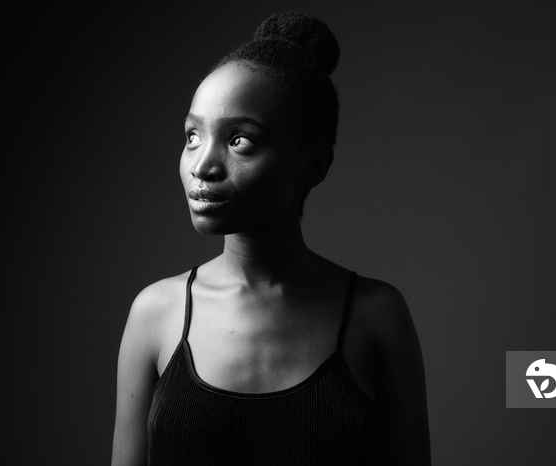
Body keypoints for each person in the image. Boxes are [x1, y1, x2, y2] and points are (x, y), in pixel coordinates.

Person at [111, 11, 430, 466]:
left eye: (240, 140)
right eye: (193, 136)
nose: (203, 165)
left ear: (314, 163)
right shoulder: (155, 314)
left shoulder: (376, 317)